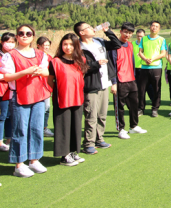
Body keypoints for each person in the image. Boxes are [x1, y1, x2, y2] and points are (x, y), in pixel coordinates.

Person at [1, 25, 50, 177]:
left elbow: (47, 71)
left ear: (33, 37)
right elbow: (6, 76)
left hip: (38, 94)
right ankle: (19, 164)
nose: (24, 35)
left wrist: (40, 72)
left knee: (36, 128)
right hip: (20, 95)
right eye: (21, 33)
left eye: (28, 33)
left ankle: (34, 160)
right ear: (16, 36)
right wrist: (25, 72)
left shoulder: (40, 54)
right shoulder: (10, 55)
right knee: (20, 130)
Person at [74, 21, 122, 154]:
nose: (92, 28)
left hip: (104, 82)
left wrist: (108, 31)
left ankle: (99, 139)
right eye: (88, 27)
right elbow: (79, 68)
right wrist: (96, 64)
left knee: (102, 114)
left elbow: (117, 45)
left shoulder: (99, 41)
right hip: (91, 84)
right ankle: (88, 143)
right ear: (82, 33)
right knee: (91, 115)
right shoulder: (78, 47)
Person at [47, 33, 88, 166]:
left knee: (76, 126)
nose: (68, 47)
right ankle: (64, 156)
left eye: (71, 44)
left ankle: (73, 152)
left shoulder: (81, 60)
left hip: (77, 98)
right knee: (63, 127)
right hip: (62, 100)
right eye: (65, 44)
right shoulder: (55, 62)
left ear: (76, 46)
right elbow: (49, 81)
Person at [109, 22, 147, 139]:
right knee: (119, 106)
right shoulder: (114, 45)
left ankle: (133, 126)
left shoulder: (130, 45)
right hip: (120, 80)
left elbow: (132, 62)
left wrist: (134, 77)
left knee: (134, 105)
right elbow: (112, 65)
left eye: (130, 33)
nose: (127, 35)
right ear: (120, 31)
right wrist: (114, 82)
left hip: (131, 79)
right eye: (125, 32)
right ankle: (121, 129)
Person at [137, 21, 167, 117]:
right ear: (150, 27)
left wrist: (152, 59)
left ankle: (155, 109)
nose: (154, 28)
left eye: (156, 26)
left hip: (156, 67)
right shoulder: (144, 39)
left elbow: (163, 53)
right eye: (153, 26)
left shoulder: (162, 40)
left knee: (156, 88)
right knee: (141, 89)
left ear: (159, 29)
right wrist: (145, 59)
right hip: (144, 68)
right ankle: (141, 108)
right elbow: (140, 51)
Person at [132, 29, 156, 117]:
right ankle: (141, 108)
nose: (139, 38)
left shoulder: (147, 43)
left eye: (141, 36)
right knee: (139, 90)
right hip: (136, 70)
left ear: (144, 36)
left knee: (150, 89)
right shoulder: (132, 44)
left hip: (146, 68)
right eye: (138, 36)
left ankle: (154, 108)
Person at [36, 36, 54, 138]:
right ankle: (36, 128)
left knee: (47, 108)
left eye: (48, 45)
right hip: (37, 87)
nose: (46, 47)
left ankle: (44, 128)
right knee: (38, 108)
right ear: (38, 45)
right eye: (44, 45)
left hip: (47, 86)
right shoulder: (35, 56)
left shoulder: (49, 57)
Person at [0, 33, 15, 153]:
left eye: (12, 41)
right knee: (2, 116)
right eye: (7, 41)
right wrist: (6, 76)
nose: (9, 44)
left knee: (10, 116)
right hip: (2, 90)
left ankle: (9, 140)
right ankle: (0, 141)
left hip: (12, 90)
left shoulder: (15, 55)